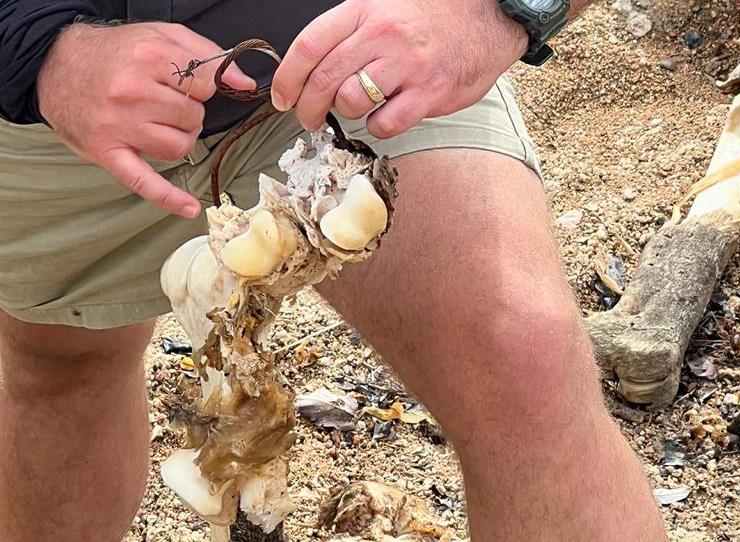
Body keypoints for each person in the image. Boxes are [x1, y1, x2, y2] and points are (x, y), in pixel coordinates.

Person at [0, 1, 668, 541]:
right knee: (58, 367)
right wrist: (41, 50)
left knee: (518, 354)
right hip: (49, 105)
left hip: (368, 54)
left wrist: (500, 10)